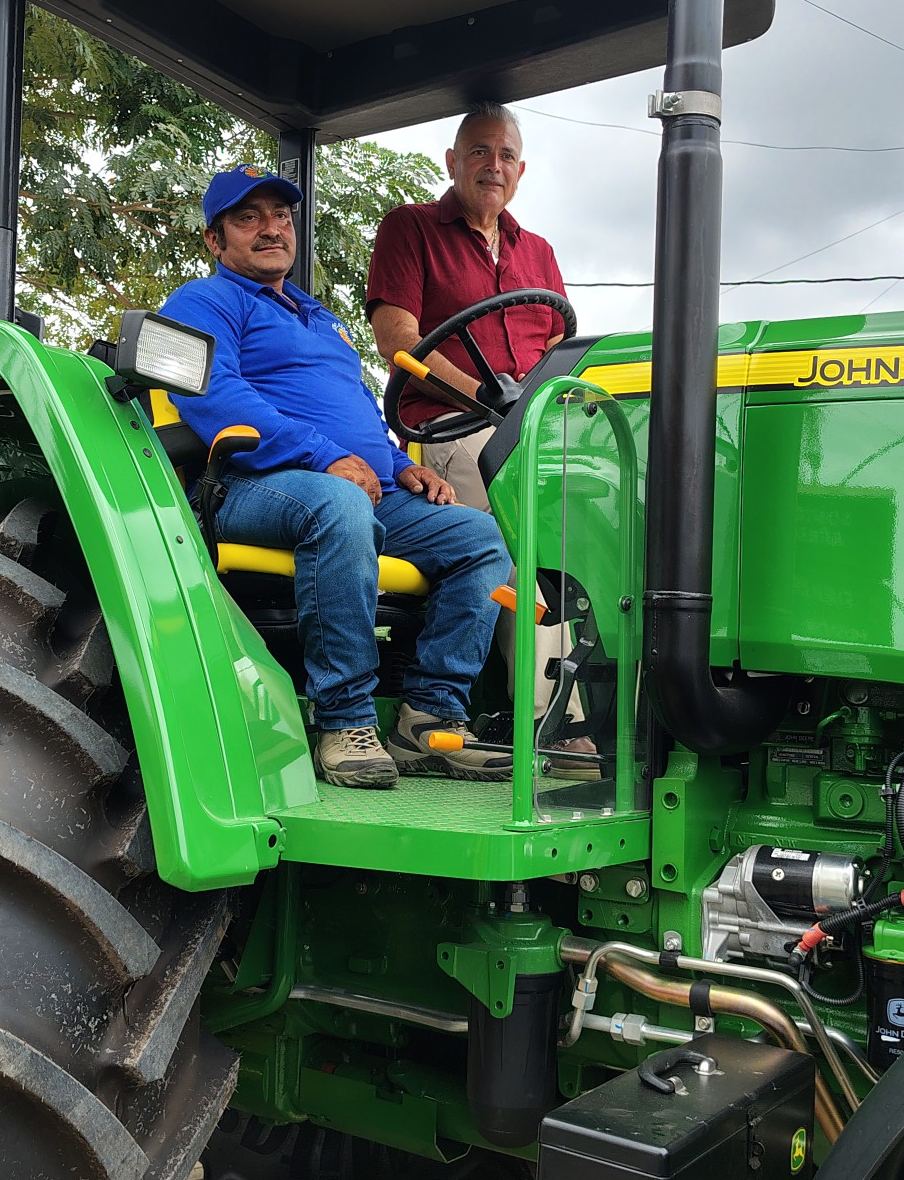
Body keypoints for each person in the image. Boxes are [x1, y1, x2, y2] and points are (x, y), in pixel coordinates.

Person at [160, 165, 514, 790]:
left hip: (358, 486)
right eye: (248, 218)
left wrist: (403, 466)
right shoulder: (203, 302)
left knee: (480, 538)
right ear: (215, 240)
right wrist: (324, 456)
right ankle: (345, 720)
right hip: (251, 484)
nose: (271, 228)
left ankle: (429, 717)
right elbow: (215, 396)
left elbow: (358, 415)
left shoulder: (321, 318)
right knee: (339, 506)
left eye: (281, 216)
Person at [366, 105, 598, 769]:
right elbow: (399, 341)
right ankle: (553, 723)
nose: (492, 166)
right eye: (478, 152)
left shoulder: (538, 253)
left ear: (521, 171)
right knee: (522, 547)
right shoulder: (411, 228)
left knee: (607, 542)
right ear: (452, 162)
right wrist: (485, 399)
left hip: (539, 431)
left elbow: (561, 351)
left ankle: (630, 710)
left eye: (505, 156)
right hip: (451, 428)